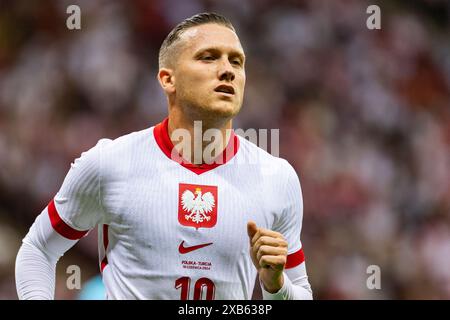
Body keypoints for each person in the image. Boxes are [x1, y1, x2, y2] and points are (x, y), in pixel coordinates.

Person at [15, 12, 312, 300]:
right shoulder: (110, 163)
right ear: (168, 79)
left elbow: (299, 292)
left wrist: (276, 286)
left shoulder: (277, 177)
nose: (228, 70)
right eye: (208, 57)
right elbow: (39, 250)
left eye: (237, 61)